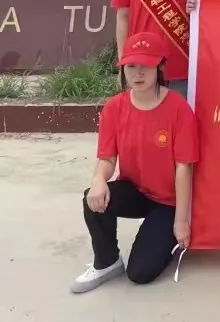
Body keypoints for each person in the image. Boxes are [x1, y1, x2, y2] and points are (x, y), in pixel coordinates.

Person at [71, 32, 198, 293]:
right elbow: (107, 158)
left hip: (167, 202)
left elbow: (184, 168)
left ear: (160, 66)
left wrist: (181, 221)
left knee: (140, 273)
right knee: (92, 198)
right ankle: (107, 262)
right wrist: (98, 179)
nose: (138, 73)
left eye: (146, 66)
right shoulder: (114, 108)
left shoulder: (179, 109)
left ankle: (161, 231)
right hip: (136, 190)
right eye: (131, 66)